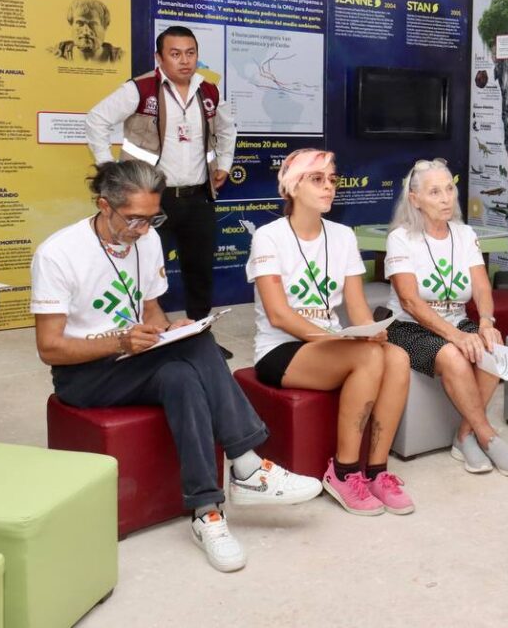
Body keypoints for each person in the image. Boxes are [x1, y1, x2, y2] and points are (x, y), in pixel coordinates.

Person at [31, 161, 320, 574]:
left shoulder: (147, 239)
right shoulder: (58, 254)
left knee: (183, 370)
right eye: (134, 219)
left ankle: (207, 513)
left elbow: (150, 309)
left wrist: (169, 329)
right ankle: (248, 464)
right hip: (84, 375)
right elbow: (50, 348)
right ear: (103, 205)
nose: (143, 230)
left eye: (153, 219)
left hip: (135, 359)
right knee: (198, 349)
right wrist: (119, 341)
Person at [246, 148, 414, 515]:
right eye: (317, 179)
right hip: (281, 349)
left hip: (334, 345)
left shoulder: (342, 236)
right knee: (367, 357)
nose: (329, 187)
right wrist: (338, 340)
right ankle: (343, 471)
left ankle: (376, 471)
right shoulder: (268, 236)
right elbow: (278, 314)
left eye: (332, 180)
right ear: (292, 186)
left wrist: (370, 330)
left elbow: (356, 305)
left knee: (397, 357)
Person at [86, 26, 236, 355]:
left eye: (190, 53)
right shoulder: (140, 89)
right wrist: (108, 168)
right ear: (159, 57)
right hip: (151, 201)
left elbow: (228, 128)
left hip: (198, 196)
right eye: (175, 54)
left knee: (200, 272)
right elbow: (96, 119)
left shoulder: (209, 90)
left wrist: (225, 163)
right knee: (146, 271)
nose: (184, 61)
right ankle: (152, 340)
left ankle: (200, 339)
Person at [385, 158, 508, 476]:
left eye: (449, 189)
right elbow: (409, 301)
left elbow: (481, 286)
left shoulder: (464, 234)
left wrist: (487, 322)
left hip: (455, 320)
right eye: (434, 192)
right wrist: (458, 336)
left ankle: (464, 435)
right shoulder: (400, 238)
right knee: (453, 355)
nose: (446, 198)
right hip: (408, 326)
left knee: (494, 348)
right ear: (415, 199)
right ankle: (487, 435)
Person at [50, 0, 123, 64]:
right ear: (71, 25)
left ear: (104, 27)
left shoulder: (121, 59)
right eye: (80, 23)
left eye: (93, 24)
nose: (86, 32)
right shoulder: (54, 55)